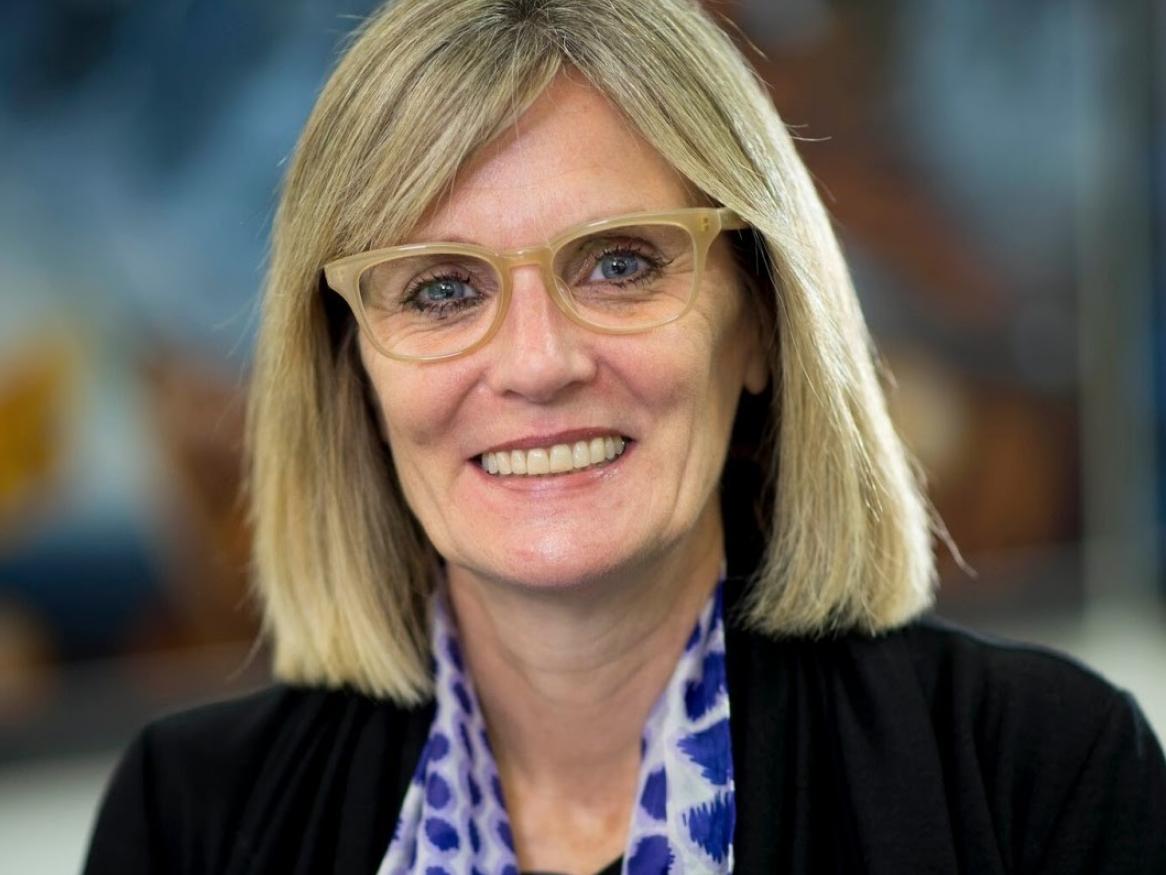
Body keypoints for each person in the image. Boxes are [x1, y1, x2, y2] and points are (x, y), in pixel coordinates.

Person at [83, 0, 1166, 872]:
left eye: (620, 264)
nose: (537, 361)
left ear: (758, 325)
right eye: (441, 288)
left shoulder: (1030, 775)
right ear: (351, 366)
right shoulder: (191, 820)